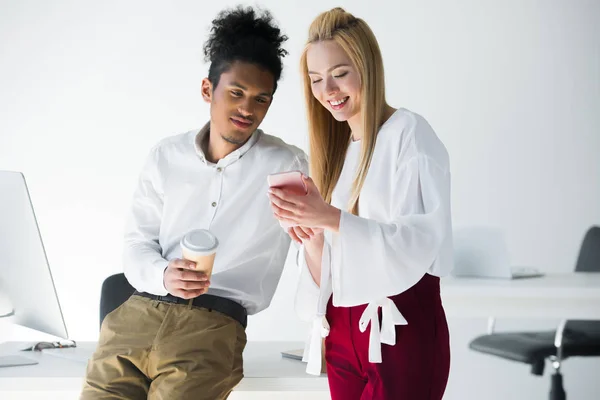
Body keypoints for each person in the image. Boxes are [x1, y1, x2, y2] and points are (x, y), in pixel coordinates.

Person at [81, 6, 307, 400]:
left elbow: (323, 235)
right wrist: (165, 274)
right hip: (134, 316)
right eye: (236, 92)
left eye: (261, 99)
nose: (247, 109)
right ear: (208, 90)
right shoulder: (165, 156)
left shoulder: (286, 166)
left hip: (213, 326)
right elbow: (136, 244)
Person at [268, 7, 452, 400]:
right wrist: (312, 235)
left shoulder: (409, 133)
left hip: (398, 325)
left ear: (367, 66)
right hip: (341, 331)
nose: (328, 91)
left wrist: (332, 218)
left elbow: (420, 242)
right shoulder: (339, 153)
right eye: (316, 80)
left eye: (339, 73)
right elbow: (331, 267)